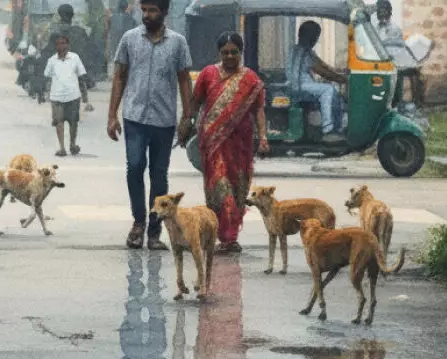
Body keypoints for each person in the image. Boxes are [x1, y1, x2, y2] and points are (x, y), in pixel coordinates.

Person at [108, 0, 193, 250]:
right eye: (144, 10)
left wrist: (187, 118)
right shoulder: (129, 39)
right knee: (134, 168)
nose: (147, 15)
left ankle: (155, 232)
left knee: (159, 176)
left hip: (163, 121)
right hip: (134, 118)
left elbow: (184, 81)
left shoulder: (178, 42)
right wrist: (112, 115)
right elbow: (119, 76)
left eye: (152, 10)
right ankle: (138, 223)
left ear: (164, 13)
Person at [191, 32, 268, 254]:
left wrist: (263, 138)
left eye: (234, 52)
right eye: (225, 53)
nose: (230, 56)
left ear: (241, 53)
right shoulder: (208, 74)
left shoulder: (250, 79)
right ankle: (222, 234)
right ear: (219, 53)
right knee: (219, 186)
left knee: (237, 190)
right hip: (213, 142)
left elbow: (259, 110)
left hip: (240, 143)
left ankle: (230, 238)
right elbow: (195, 102)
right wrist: (185, 123)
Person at [286, 20, 348, 142]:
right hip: (298, 87)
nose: (315, 40)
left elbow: (324, 65)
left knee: (333, 92)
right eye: (315, 36)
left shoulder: (302, 50)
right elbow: (322, 71)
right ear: (308, 36)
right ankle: (328, 130)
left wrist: (340, 72)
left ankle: (337, 127)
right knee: (328, 90)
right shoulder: (302, 51)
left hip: (303, 85)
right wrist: (342, 79)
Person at [44, 34, 93, 157]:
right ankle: (62, 148)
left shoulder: (75, 58)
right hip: (56, 97)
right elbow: (48, 78)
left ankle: (72, 144)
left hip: (73, 96)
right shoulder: (51, 61)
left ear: (68, 45)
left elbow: (81, 77)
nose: (62, 46)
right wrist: (46, 94)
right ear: (56, 46)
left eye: (64, 43)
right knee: (58, 122)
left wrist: (85, 96)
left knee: (73, 122)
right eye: (59, 43)